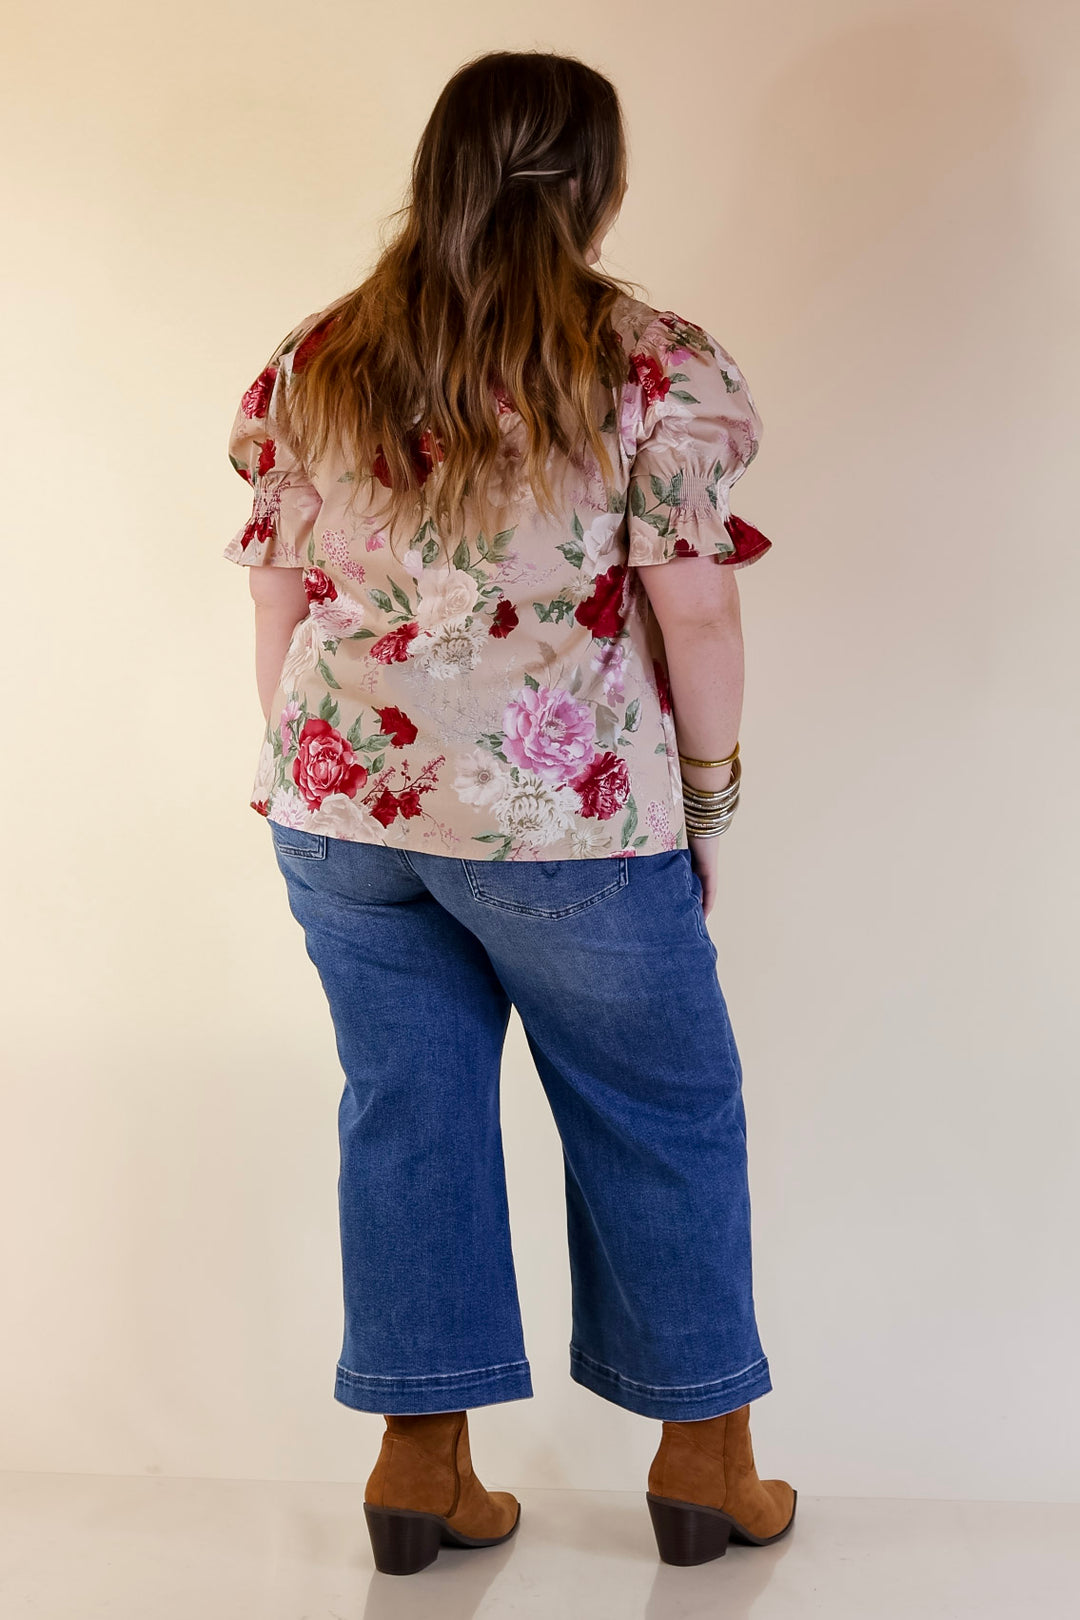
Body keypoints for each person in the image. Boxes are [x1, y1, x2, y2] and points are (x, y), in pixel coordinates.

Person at [222, 47, 795, 1577]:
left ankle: (422, 1472)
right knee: (663, 1109)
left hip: (340, 811)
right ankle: (703, 1462)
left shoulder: (319, 354)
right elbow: (705, 623)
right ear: (594, 183)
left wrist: (308, 769)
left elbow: (279, 592)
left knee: (408, 1115)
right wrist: (709, 805)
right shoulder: (651, 364)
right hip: (569, 825)